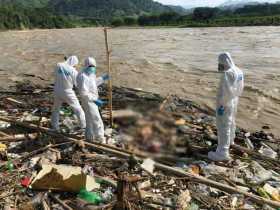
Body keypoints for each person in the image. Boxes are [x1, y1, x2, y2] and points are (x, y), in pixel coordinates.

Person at [208, 52, 244, 161]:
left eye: (220, 63)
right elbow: (240, 88)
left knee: (223, 125)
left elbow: (225, 92)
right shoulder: (239, 71)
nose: (220, 65)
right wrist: (234, 98)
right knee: (231, 122)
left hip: (226, 103)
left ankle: (222, 152)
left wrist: (222, 105)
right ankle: (231, 141)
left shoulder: (227, 74)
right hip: (234, 100)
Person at [77, 57, 109, 143]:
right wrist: (95, 100)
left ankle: (89, 138)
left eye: (93, 66)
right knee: (96, 119)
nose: (92, 68)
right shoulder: (82, 76)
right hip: (88, 101)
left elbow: (94, 84)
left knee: (89, 119)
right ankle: (101, 138)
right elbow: (83, 92)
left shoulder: (91, 74)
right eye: (91, 66)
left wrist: (103, 78)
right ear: (86, 66)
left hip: (92, 100)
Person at [51, 56, 86, 131]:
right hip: (67, 91)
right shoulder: (73, 71)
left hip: (57, 89)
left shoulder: (58, 65)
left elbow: (55, 74)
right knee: (78, 108)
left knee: (56, 109)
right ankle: (83, 125)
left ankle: (55, 126)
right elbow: (77, 84)